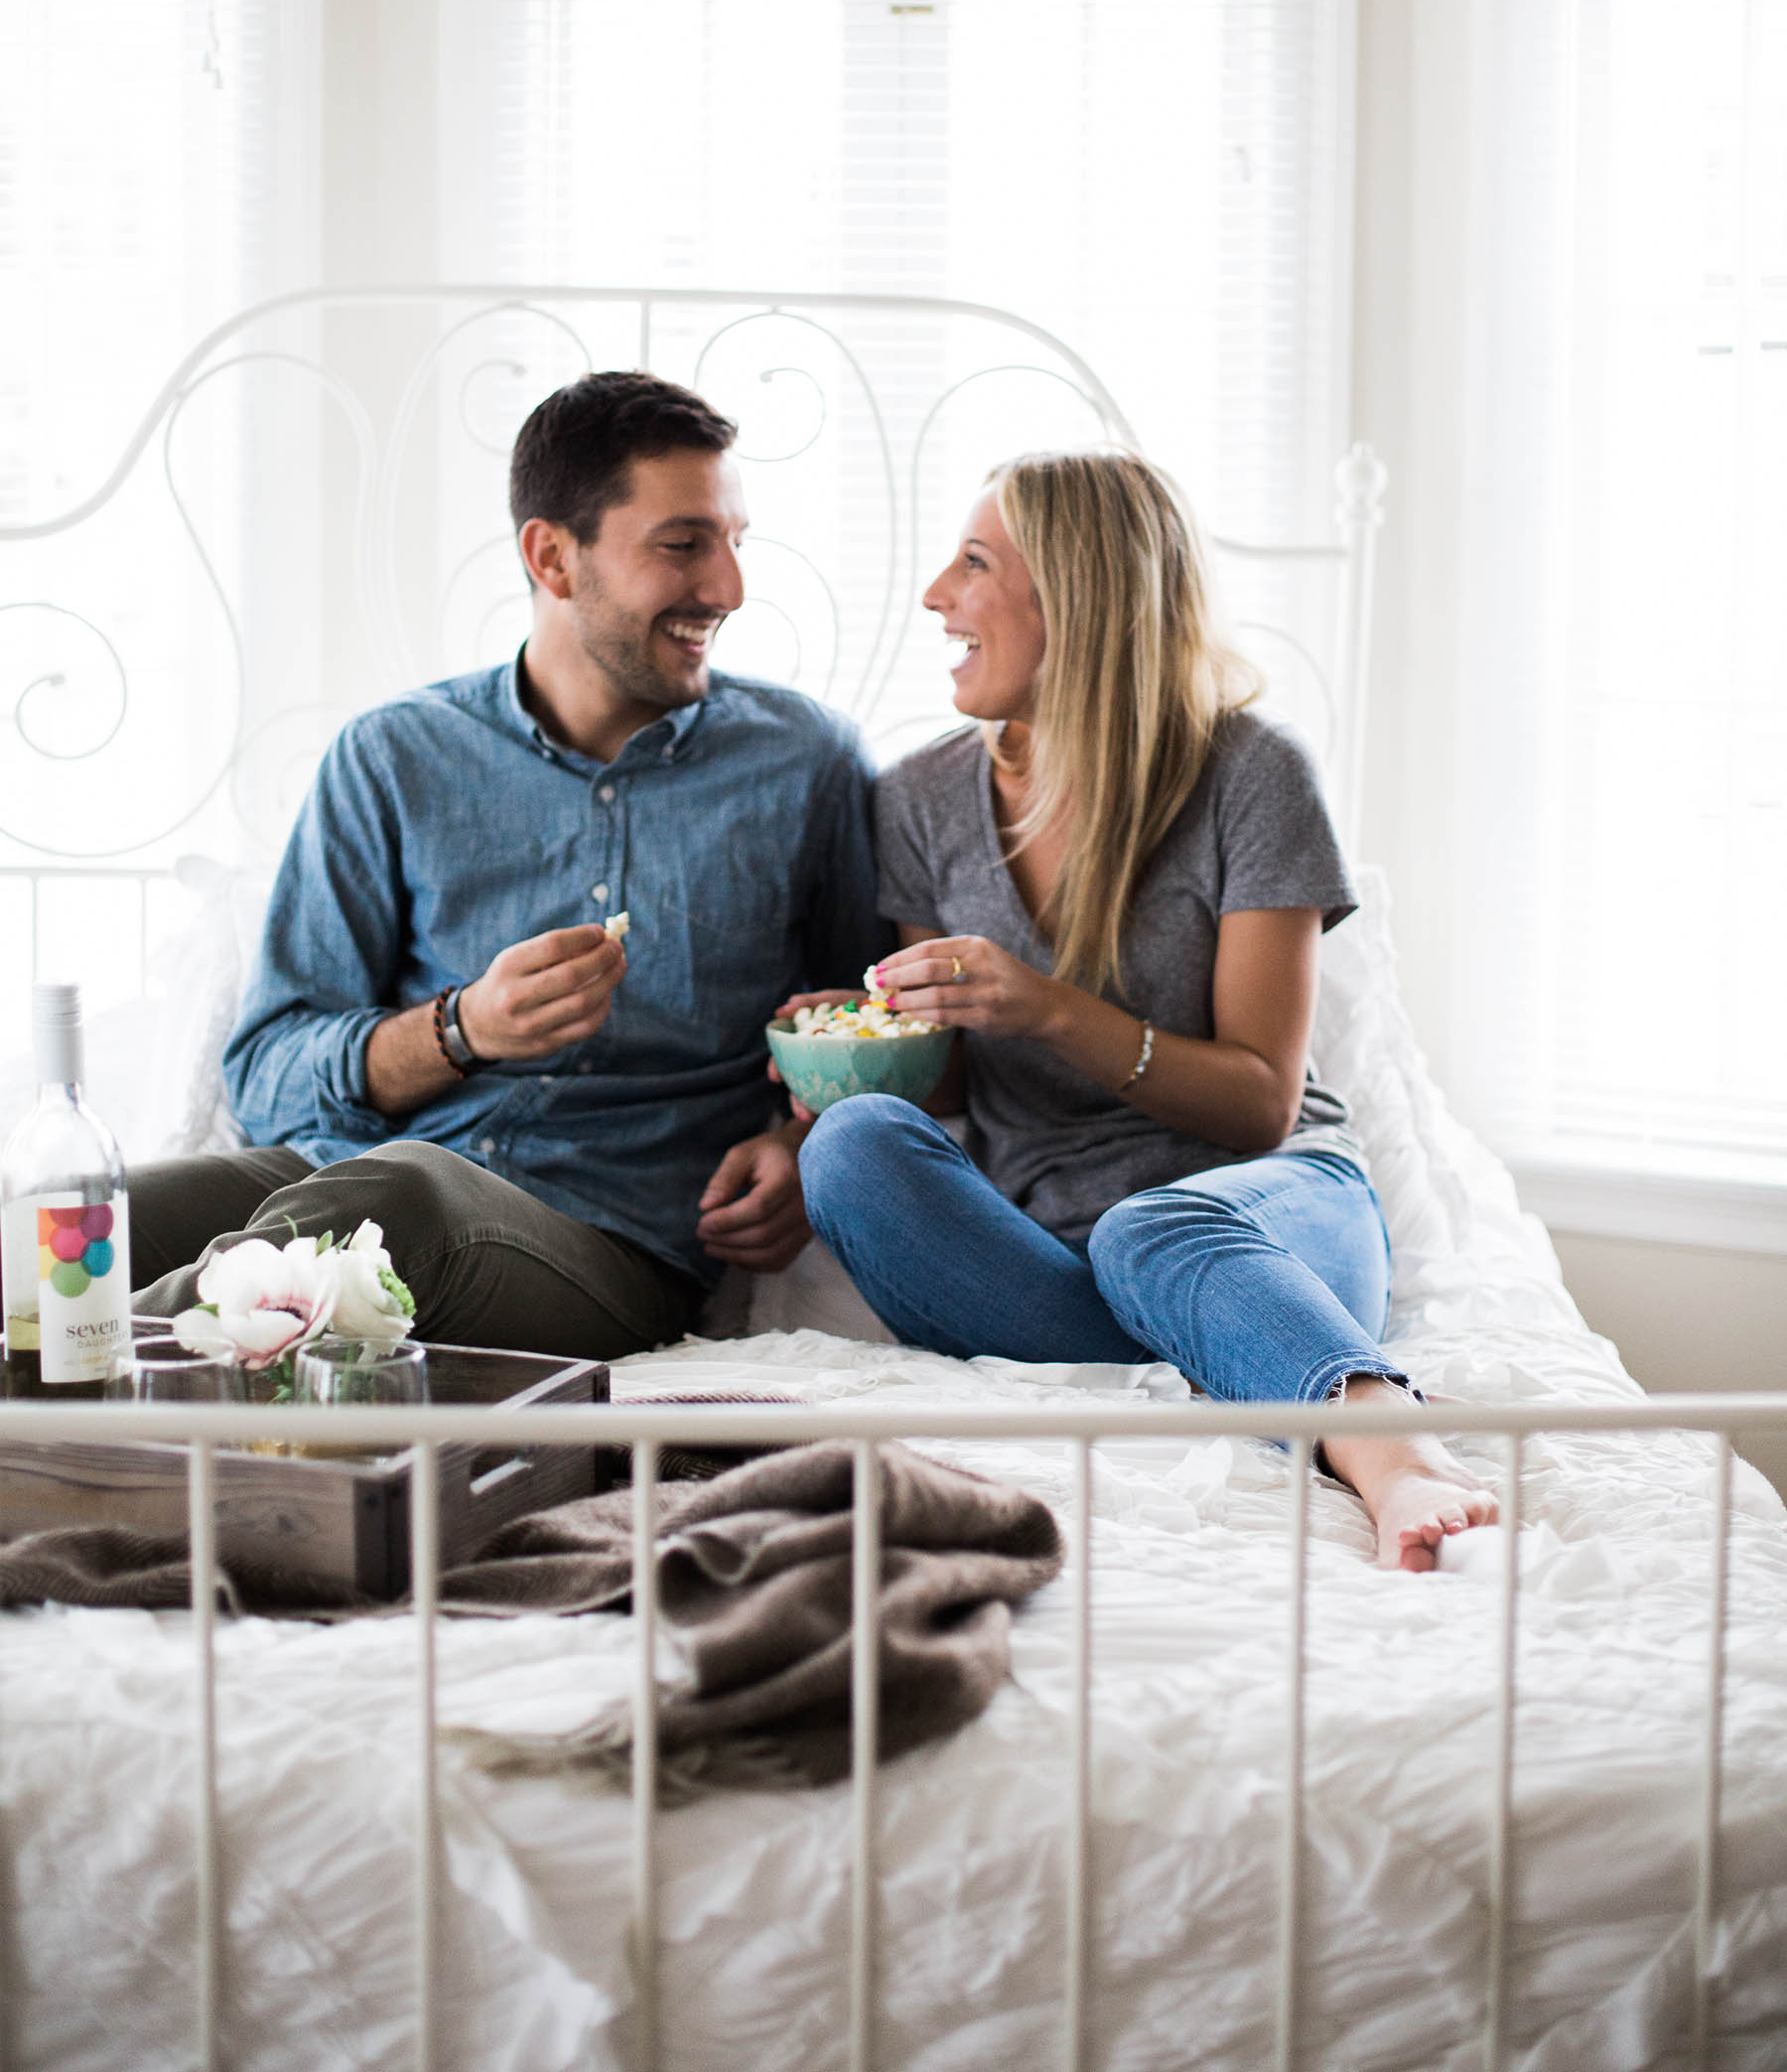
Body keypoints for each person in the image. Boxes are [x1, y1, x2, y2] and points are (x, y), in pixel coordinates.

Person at [796, 451, 1498, 1573]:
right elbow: (957, 1096)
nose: (936, 594)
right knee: (851, 1150)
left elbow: (1261, 1106)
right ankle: (1230, 1353)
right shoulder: (921, 798)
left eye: (973, 563)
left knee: (1155, 1231)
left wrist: (1045, 1007)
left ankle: (1388, 1446)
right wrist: (865, 1043)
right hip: (1050, 1258)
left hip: (1262, 1215)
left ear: (1073, 598)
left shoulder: (1250, 775)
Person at [126, 371, 888, 1360]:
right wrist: (460, 1030)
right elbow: (269, 1072)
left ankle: (63, 1400)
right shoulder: (393, 757)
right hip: (337, 1172)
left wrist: (801, 1146)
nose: (729, 589)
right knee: (64, 1219)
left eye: (736, 542)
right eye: (684, 544)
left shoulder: (806, 763)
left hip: (604, 1239)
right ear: (552, 556)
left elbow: (865, 1034)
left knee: (403, 1204)